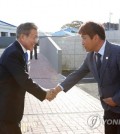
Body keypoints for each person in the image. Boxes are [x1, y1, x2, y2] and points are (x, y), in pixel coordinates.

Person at [52, 21, 120, 134]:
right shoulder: (91, 57)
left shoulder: (117, 52)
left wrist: (116, 99)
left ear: (96, 38)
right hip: (109, 110)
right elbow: (77, 74)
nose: (82, 43)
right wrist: (57, 89)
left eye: (84, 38)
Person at [0, 22, 55, 134]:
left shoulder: (18, 51)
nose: (36, 41)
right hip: (6, 111)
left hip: (10, 110)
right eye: (34, 37)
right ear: (22, 37)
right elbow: (24, 80)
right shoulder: (13, 53)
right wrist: (44, 94)